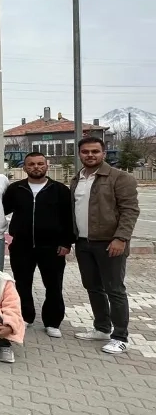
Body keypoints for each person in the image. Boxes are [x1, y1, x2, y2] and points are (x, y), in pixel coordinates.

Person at [71, 136, 140, 354]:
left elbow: (130, 210)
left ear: (104, 153)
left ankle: (120, 336)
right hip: (83, 242)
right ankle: (101, 328)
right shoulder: (77, 179)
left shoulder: (120, 178)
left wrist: (121, 238)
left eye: (94, 151)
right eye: (85, 152)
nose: (90, 155)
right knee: (93, 287)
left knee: (115, 290)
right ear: (80, 154)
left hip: (110, 243)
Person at [3, 153, 72, 338]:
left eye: (40, 163)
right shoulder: (16, 189)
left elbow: (69, 218)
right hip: (22, 246)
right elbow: (2, 209)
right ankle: (26, 316)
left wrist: (66, 242)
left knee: (54, 285)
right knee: (22, 284)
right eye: (31, 164)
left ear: (47, 165)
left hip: (52, 248)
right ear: (25, 167)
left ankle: (52, 322)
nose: (36, 167)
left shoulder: (59, 190)